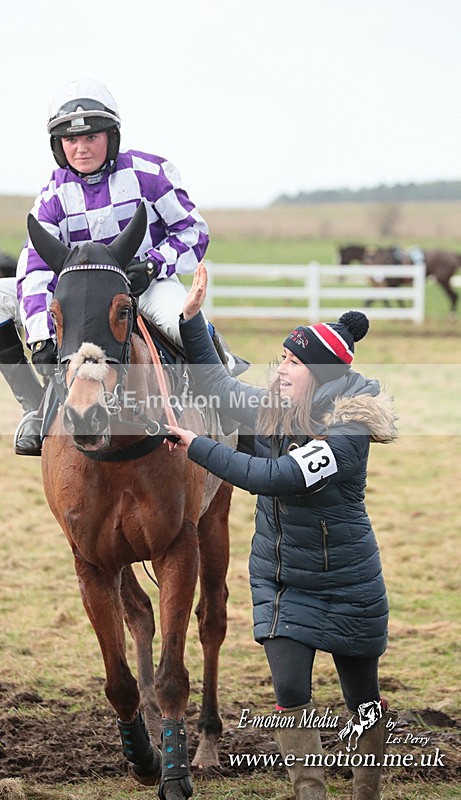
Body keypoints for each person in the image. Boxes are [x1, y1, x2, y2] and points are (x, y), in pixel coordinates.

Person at [166, 263, 398, 800]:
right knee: (291, 688)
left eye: (293, 362)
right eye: (282, 359)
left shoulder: (346, 434)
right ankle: (309, 792)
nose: (281, 369)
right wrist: (193, 320)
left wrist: (196, 445)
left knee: (362, 697)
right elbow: (219, 387)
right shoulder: (274, 407)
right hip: (282, 580)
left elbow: (272, 478)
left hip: (349, 584)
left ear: (320, 373)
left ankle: (366, 790)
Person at [0, 78, 212, 456]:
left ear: (111, 137)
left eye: (91, 138)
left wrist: (152, 265)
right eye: (71, 141)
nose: (81, 148)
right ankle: (37, 407)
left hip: (143, 287)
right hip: (77, 298)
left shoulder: (151, 173)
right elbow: (34, 270)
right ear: (58, 146)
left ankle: (223, 402)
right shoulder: (51, 195)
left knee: (182, 324)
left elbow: (194, 232)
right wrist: (40, 337)